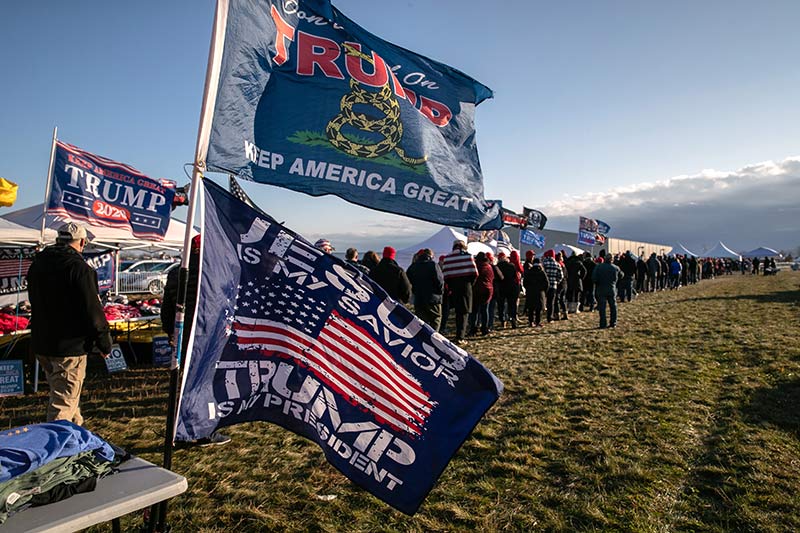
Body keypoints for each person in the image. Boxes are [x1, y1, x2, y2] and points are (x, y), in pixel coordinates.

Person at [27, 222, 112, 426]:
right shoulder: (80, 269)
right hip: (70, 347)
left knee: (66, 396)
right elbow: (93, 311)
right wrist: (104, 342)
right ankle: (55, 451)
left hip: (43, 342)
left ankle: (76, 437)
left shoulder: (38, 264)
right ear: (82, 242)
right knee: (62, 404)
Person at [162, 235, 231, 447]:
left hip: (184, 333)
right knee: (201, 384)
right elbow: (220, 305)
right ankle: (197, 431)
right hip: (205, 335)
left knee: (184, 382)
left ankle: (178, 427)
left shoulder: (176, 272)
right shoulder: (214, 272)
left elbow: (167, 307)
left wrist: (170, 331)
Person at [441, 240, 477, 343]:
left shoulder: (448, 258)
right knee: (464, 312)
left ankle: (459, 334)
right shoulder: (468, 256)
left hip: (454, 287)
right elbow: (474, 273)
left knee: (458, 312)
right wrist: (470, 284)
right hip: (466, 287)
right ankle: (460, 336)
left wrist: (451, 286)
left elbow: (446, 276)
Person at [405, 248, 444, 330]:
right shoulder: (433, 265)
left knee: (421, 322)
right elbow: (439, 281)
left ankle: (424, 339)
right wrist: (440, 292)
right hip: (433, 298)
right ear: (431, 255)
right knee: (435, 318)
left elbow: (408, 281)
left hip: (419, 298)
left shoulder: (413, 267)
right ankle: (434, 338)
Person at [592, 256, 622, 329]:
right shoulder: (615, 267)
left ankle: (603, 324)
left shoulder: (598, 267)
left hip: (601, 288)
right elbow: (621, 275)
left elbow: (594, 278)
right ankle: (613, 322)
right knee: (613, 306)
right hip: (612, 288)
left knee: (602, 308)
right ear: (611, 260)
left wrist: (598, 283)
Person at [523, 258, 548, 327]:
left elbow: (525, 282)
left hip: (530, 292)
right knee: (538, 308)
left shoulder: (529, 271)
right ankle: (538, 322)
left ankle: (531, 322)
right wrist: (544, 291)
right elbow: (546, 283)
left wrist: (528, 289)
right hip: (539, 292)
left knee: (531, 308)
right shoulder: (542, 272)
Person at [542, 249, 563, 322]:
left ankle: (541, 315)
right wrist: (557, 281)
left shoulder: (544, 263)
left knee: (544, 301)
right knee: (551, 302)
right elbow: (561, 276)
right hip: (553, 285)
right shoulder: (557, 264)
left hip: (544, 285)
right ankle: (550, 317)